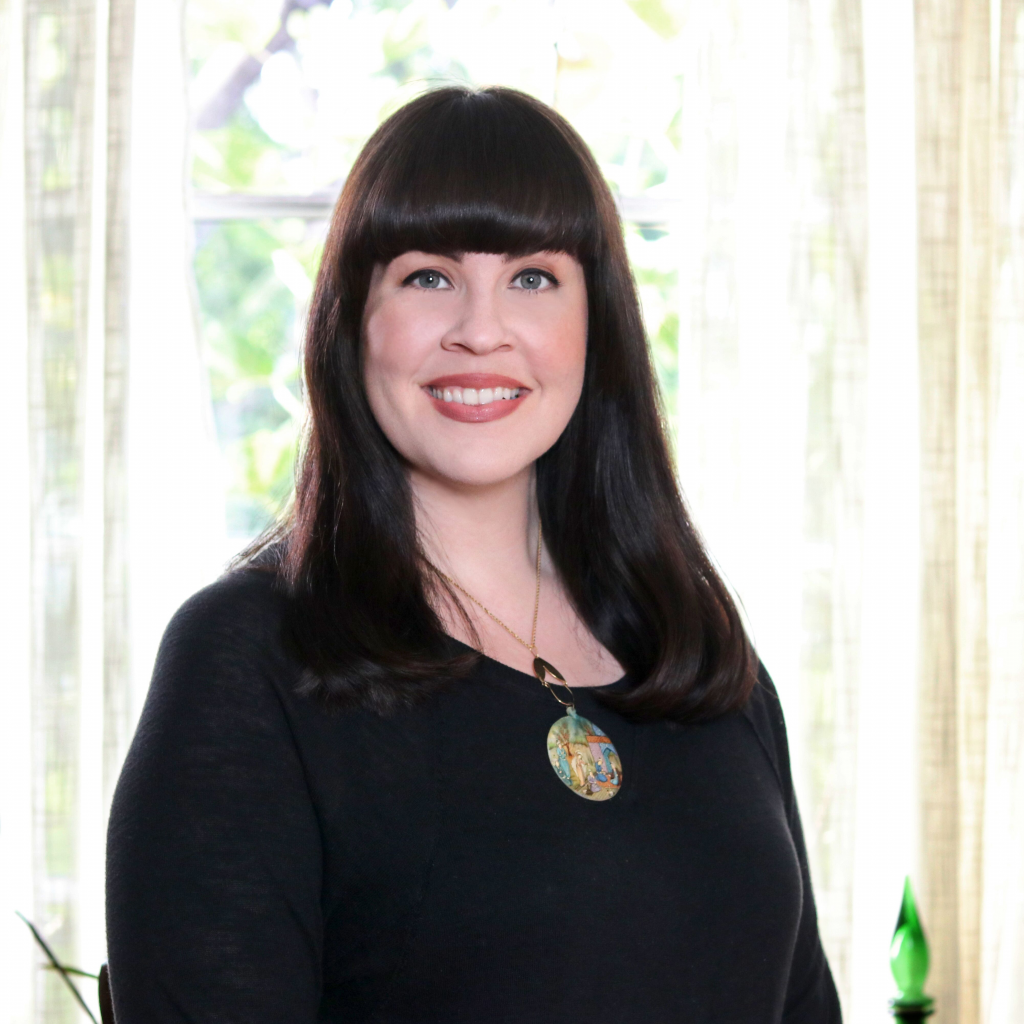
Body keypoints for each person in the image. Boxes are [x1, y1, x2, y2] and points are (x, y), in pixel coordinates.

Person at [105, 85, 841, 1022]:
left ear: (596, 325)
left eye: (533, 277)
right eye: (427, 276)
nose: (481, 330)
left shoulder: (695, 651)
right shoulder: (250, 659)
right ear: (351, 320)